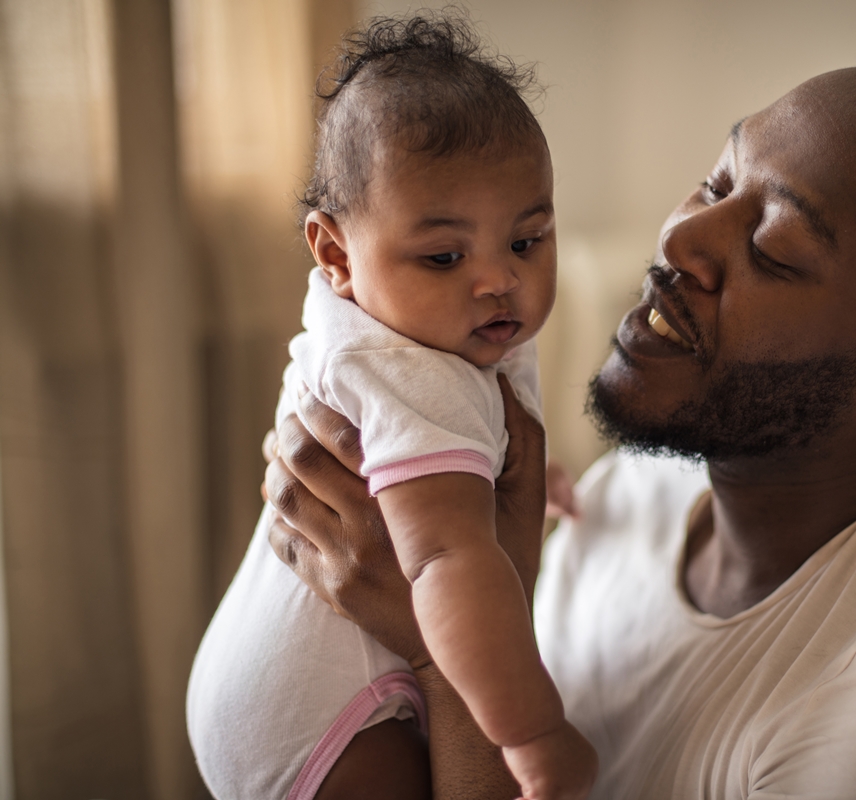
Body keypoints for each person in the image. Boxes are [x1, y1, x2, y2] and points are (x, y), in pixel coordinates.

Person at [263, 66, 856, 798]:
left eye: (776, 247)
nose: (680, 237)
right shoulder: (632, 488)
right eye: (716, 185)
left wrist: (430, 653)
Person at [186, 15, 596, 800]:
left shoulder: (395, 318)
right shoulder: (415, 368)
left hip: (267, 677)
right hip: (332, 722)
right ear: (337, 254)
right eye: (445, 256)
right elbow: (448, 559)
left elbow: (442, 464)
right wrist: (533, 735)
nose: (496, 280)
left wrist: (527, 482)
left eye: (528, 240)